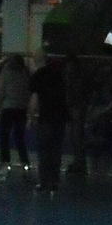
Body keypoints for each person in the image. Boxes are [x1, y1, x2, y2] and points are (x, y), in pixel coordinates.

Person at [29, 54, 69, 195]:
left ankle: (43, 182)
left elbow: (35, 98)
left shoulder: (37, 76)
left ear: (36, 61)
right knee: (56, 151)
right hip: (60, 118)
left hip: (46, 118)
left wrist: (30, 117)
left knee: (44, 151)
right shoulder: (58, 75)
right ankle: (54, 182)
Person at [0, 55, 33, 182]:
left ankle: (5, 165)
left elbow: (1, 92)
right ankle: (25, 165)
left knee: (5, 137)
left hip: (8, 108)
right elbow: (28, 93)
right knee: (19, 138)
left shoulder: (6, 72)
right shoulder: (25, 73)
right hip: (21, 109)